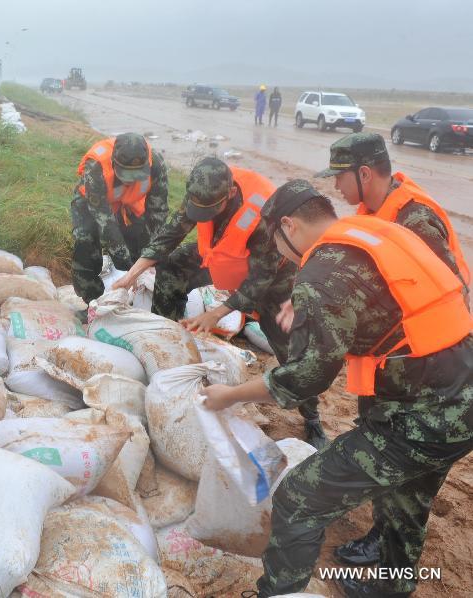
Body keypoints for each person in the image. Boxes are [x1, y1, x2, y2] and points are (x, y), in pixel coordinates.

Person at [203, 180, 473, 598]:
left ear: (288, 227)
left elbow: (307, 379)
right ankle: (393, 586)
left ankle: (278, 593)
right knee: (408, 495)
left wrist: (230, 395)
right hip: (460, 387)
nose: (278, 255)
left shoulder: (323, 273)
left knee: (298, 499)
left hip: (423, 417)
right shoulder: (382, 232)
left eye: (274, 243)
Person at [312, 131, 472, 567]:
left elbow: (446, 295)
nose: (335, 188)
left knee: (408, 478)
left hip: (429, 373)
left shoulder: (415, 219)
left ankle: (391, 568)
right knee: (389, 465)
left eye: (340, 177)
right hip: (398, 367)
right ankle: (380, 539)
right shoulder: (376, 210)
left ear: (364, 173)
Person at [112, 158, 328, 449]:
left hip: (271, 280)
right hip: (219, 258)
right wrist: (133, 273)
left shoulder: (262, 214)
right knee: (173, 266)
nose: (199, 216)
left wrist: (216, 313)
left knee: (290, 347)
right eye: (196, 210)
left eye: (207, 212)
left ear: (228, 195)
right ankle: (166, 348)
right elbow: (170, 236)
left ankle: (311, 417)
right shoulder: (202, 193)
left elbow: (260, 279)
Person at [71, 132, 168, 305]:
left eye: (137, 174)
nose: (131, 180)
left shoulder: (157, 164)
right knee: (85, 241)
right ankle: (92, 300)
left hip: (129, 202)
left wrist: (148, 258)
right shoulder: (96, 166)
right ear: (114, 163)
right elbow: (105, 221)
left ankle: (138, 298)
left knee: (141, 243)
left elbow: (157, 213)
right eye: (126, 174)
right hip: (93, 203)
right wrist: (127, 264)